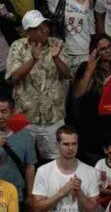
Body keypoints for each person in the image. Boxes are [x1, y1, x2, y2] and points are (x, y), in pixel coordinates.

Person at [8, 11, 70, 161]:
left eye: (45, 26)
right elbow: (14, 77)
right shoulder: (18, 47)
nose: (45, 30)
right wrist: (33, 60)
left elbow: (67, 74)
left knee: (56, 160)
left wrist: (56, 58)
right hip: (25, 116)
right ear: (28, 32)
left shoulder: (57, 44)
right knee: (22, 159)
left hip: (53, 116)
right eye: (39, 28)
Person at [72, 34, 111, 161]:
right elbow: (78, 93)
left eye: (110, 46)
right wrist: (90, 70)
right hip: (94, 127)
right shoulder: (85, 67)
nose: (108, 50)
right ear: (95, 52)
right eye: (103, 49)